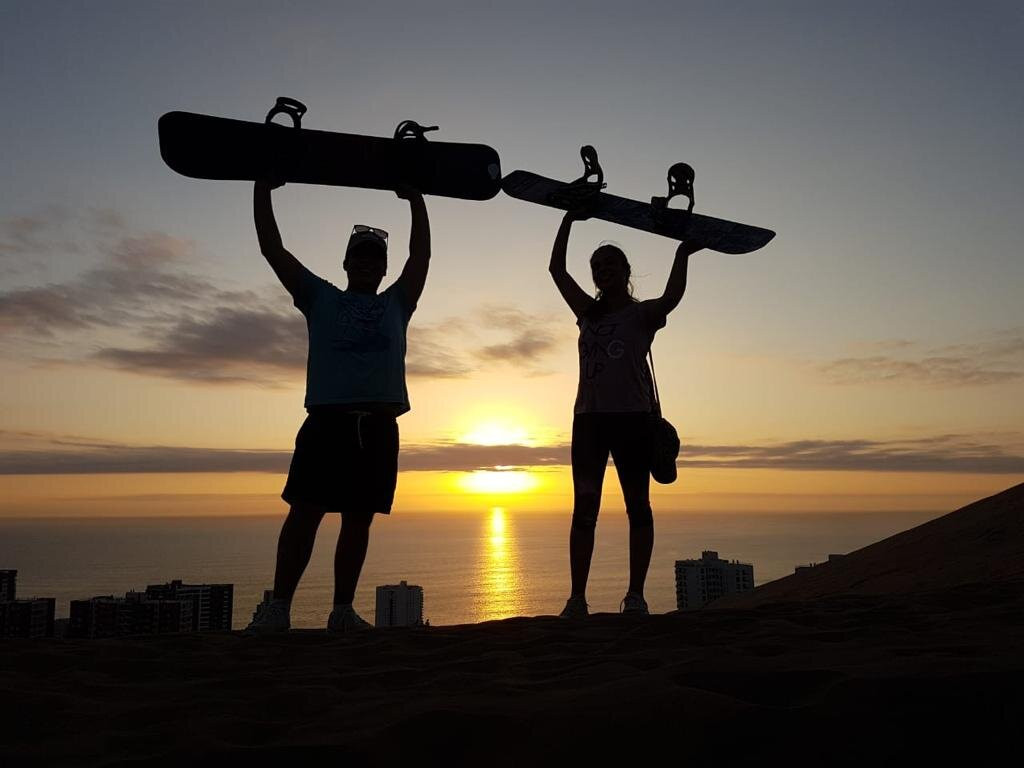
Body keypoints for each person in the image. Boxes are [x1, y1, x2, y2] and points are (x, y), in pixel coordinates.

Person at [244, 178, 430, 633]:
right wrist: (262, 188)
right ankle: (279, 608)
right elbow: (272, 249)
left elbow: (421, 257)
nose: (367, 264)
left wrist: (416, 198)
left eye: (375, 259)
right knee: (304, 513)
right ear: (346, 263)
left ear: (383, 269)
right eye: (359, 257)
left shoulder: (398, 303)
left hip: (379, 426)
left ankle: (342, 610)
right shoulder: (320, 296)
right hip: (327, 422)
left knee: (358, 520)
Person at [549, 209, 702, 617]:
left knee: (638, 506)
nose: (602, 271)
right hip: (589, 421)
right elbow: (556, 270)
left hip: (633, 419)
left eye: (609, 265)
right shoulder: (586, 312)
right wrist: (569, 219)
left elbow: (672, 298)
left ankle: (636, 596)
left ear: (625, 271)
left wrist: (683, 253)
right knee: (584, 510)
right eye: (597, 267)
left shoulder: (641, 315)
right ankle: (576, 599)